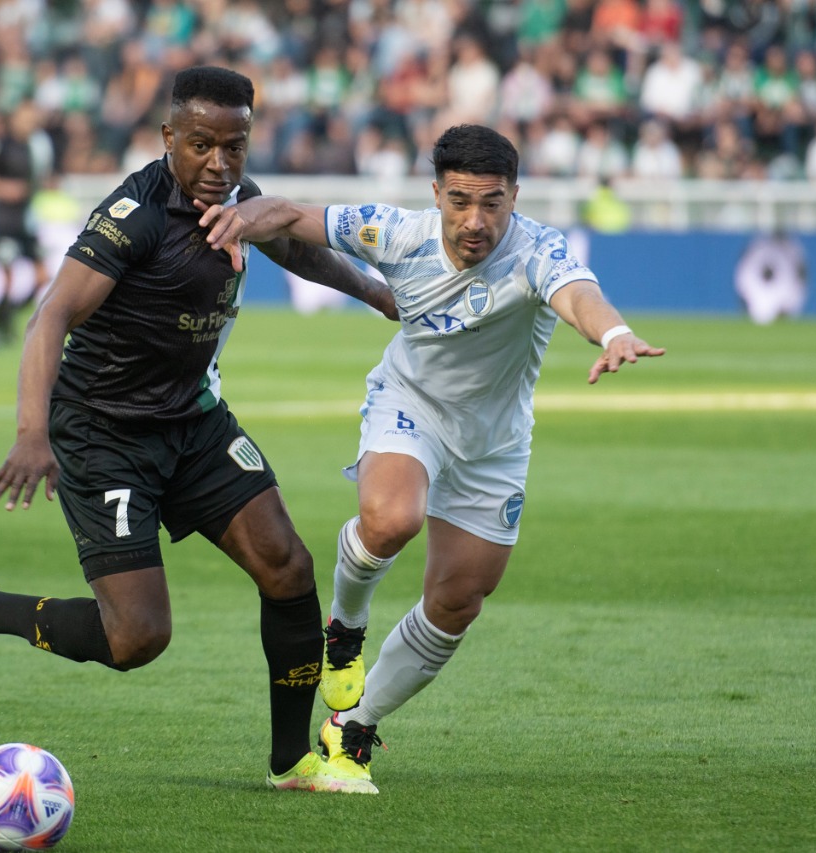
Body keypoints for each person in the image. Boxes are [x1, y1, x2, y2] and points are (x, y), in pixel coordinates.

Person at [0, 66, 396, 794]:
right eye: (202, 145)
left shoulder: (239, 198)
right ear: (170, 138)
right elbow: (50, 317)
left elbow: (297, 249)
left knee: (288, 567)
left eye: (235, 146)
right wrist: (30, 431)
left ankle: (294, 762)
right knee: (138, 638)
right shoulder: (134, 215)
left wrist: (378, 292)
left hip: (192, 422)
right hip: (105, 434)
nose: (219, 164)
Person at [200, 123, 665, 790]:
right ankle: (346, 626)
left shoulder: (539, 250)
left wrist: (614, 331)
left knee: (458, 599)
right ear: (436, 193)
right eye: (460, 201)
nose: (476, 220)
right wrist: (242, 216)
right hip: (409, 406)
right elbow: (294, 215)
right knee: (391, 520)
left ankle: (351, 726)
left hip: (495, 443)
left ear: (515, 196)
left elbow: (578, 297)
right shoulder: (396, 232)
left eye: (492, 203)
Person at [0, 100, 55, 347]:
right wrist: (4, 188)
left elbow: (39, 180)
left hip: (27, 221)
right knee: (8, 278)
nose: (30, 121)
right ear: (14, 119)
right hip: (5, 221)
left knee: (43, 276)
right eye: (26, 117)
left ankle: (8, 319)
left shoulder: (36, 147)